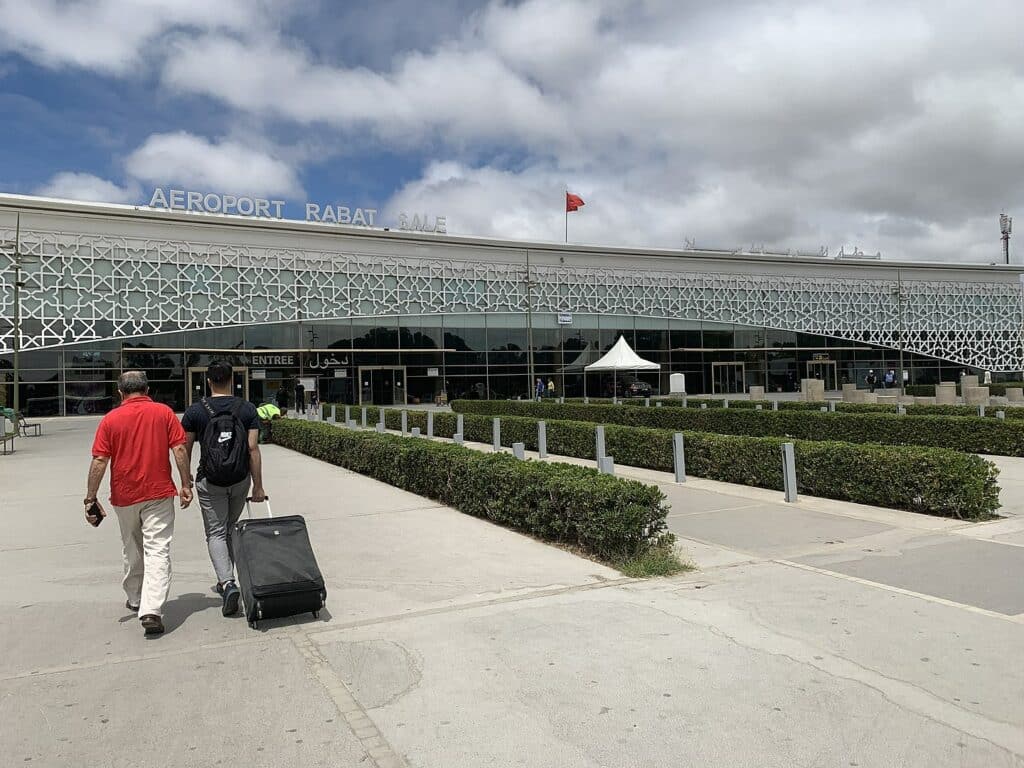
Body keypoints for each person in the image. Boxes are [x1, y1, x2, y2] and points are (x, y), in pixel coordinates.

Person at [84, 371, 193, 636]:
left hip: (124, 495)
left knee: (131, 546)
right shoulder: (164, 413)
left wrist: (90, 497)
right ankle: (151, 609)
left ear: (120, 392)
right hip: (158, 492)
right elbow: (179, 449)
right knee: (157, 549)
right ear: (147, 389)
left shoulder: (111, 419)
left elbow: (100, 460)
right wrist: (185, 484)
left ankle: (135, 598)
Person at [181, 361, 267, 617]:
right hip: (240, 479)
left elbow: (184, 450)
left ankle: (228, 583)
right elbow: (253, 449)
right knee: (231, 529)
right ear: (232, 380)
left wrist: (185, 482)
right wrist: (259, 486)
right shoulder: (247, 408)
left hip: (210, 481)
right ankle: (228, 577)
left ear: (208, 381)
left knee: (216, 533)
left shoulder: (195, 411)